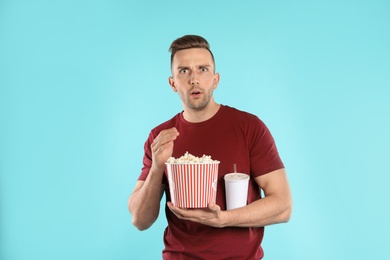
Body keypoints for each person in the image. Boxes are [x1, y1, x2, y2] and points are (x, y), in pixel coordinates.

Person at [128, 35, 292, 259]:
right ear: (172, 83)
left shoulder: (249, 127)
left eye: (202, 69)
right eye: (184, 71)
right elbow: (139, 219)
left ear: (215, 80)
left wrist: (223, 219)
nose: (194, 79)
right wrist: (157, 167)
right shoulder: (160, 137)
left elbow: (283, 206)